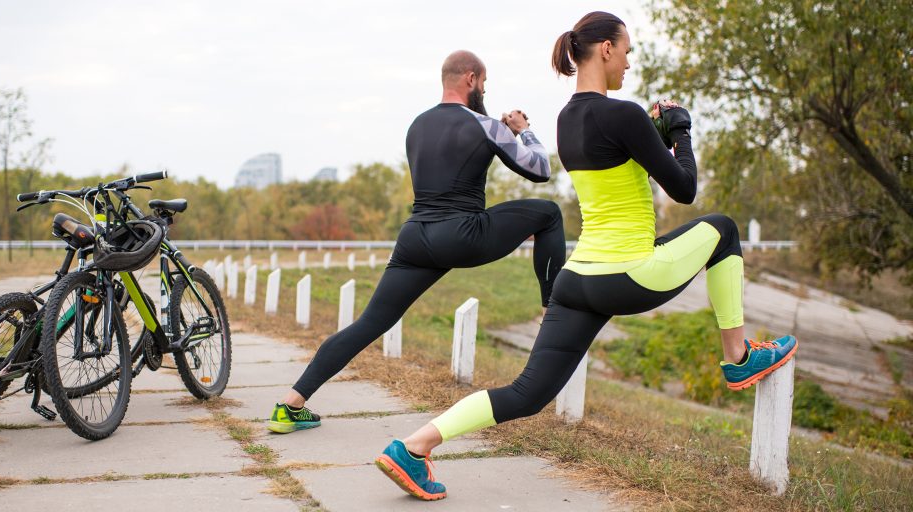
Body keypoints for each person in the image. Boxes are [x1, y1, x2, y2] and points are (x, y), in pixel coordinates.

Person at [375, 12, 799, 501]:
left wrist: (655, 134)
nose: (629, 62)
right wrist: (681, 132)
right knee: (722, 230)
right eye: (627, 51)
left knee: (526, 393)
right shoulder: (623, 114)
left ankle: (414, 446)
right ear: (605, 49)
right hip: (628, 273)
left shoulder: (566, 120)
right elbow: (683, 188)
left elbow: (622, 166)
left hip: (577, 281)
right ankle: (737, 357)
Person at [267, 50, 567, 434]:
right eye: (484, 84)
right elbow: (539, 169)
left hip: (415, 238)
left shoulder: (416, 125)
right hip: (463, 234)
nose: (484, 91)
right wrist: (523, 129)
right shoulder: (486, 125)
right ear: (471, 79)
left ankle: (291, 405)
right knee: (549, 213)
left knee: (369, 323)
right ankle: (551, 308)